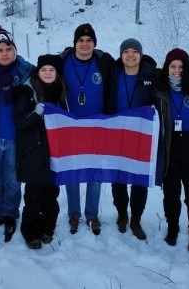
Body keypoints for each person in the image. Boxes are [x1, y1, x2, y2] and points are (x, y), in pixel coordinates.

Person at [0, 24, 35, 242]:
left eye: (9, 49)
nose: (5, 54)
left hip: (16, 138)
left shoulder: (24, 72)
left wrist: (18, 60)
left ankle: (11, 214)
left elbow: (46, 71)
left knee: (12, 181)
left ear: (15, 51)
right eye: (0, 50)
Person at [60, 23, 114, 235]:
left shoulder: (104, 62)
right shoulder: (63, 62)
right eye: (80, 41)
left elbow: (130, 70)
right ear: (74, 44)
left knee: (95, 173)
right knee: (72, 172)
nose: (85, 44)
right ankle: (74, 213)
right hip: (70, 126)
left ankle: (92, 213)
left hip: (97, 127)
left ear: (94, 43)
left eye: (89, 40)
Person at [153, 48, 189, 252]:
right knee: (171, 193)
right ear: (167, 67)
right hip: (169, 146)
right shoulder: (159, 90)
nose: (176, 71)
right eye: (173, 66)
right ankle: (173, 229)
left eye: (181, 67)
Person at [12, 54, 67, 249]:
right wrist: (36, 113)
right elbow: (19, 122)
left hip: (55, 154)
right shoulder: (26, 92)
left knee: (51, 196)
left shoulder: (62, 92)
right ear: (38, 72)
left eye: (52, 70)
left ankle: (48, 229)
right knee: (33, 197)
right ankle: (31, 232)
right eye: (44, 69)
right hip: (33, 153)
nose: (47, 73)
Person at [106, 38, 157, 241]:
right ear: (120, 55)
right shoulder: (112, 73)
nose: (130, 55)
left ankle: (136, 218)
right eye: (125, 51)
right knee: (117, 178)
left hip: (140, 134)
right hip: (116, 133)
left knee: (139, 179)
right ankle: (121, 214)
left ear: (141, 55)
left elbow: (178, 77)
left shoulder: (152, 75)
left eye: (134, 51)